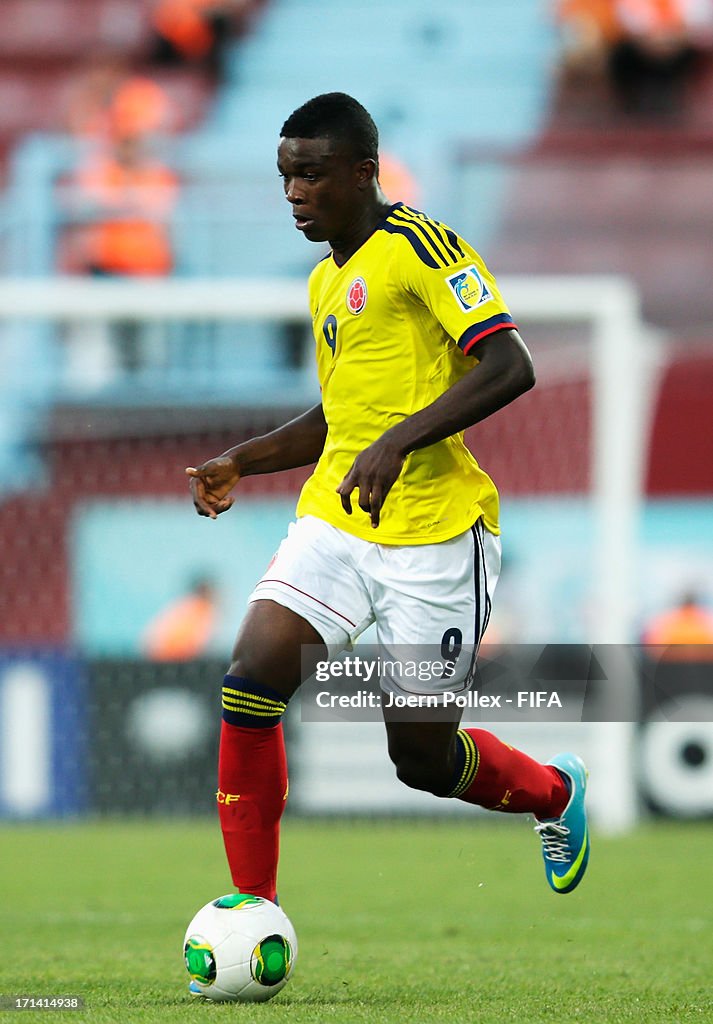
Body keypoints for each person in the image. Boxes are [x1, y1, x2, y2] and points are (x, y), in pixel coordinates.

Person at [186, 93, 590, 931]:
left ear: (364, 172)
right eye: (285, 177)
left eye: (312, 175)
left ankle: (553, 792)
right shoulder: (325, 279)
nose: (294, 193)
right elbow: (341, 417)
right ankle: (252, 910)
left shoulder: (419, 247)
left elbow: (509, 365)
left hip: (435, 536)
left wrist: (400, 442)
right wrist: (242, 459)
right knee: (249, 683)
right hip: (336, 523)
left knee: (420, 759)